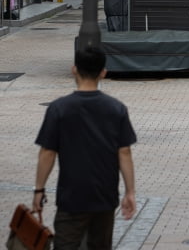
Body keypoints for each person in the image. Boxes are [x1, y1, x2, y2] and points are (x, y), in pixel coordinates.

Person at [33, 47, 137, 249]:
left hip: (71, 197)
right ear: (103, 72)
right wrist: (130, 192)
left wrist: (39, 190)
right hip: (105, 197)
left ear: (74, 69)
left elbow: (47, 153)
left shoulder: (59, 109)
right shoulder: (116, 109)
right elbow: (124, 152)